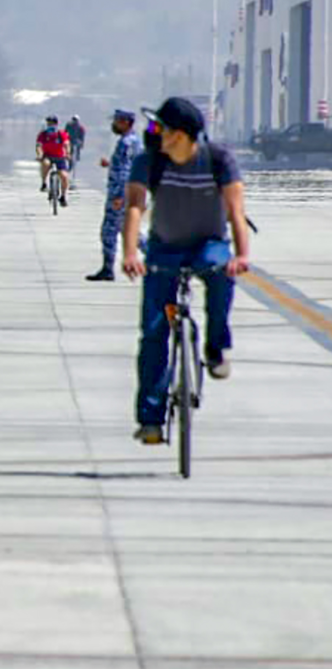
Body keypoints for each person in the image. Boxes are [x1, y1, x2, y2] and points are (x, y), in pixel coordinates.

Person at [122, 97, 250, 445]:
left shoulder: (217, 159)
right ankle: (150, 419)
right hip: (164, 248)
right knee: (152, 334)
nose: (153, 133)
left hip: (208, 244)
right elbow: (135, 208)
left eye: (159, 127)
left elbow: (236, 212)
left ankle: (215, 346)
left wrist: (241, 255)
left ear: (179, 135)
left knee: (221, 271)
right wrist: (131, 253)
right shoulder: (150, 162)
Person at [86, 109, 140, 281]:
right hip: (128, 193)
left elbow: (125, 172)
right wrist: (110, 164)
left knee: (109, 232)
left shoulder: (125, 143)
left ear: (125, 122)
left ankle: (108, 269)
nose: (113, 125)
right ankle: (161, 258)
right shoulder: (134, 141)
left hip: (120, 194)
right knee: (131, 231)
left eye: (116, 121)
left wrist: (119, 196)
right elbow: (130, 166)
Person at [36, 114, 71, 205]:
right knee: (45, 164)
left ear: (56, 124)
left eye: (52, 123)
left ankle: (63, 196)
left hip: (60, 158)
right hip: (48, 156)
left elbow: (66, 144)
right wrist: (40, 154)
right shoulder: (43, 134)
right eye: (49, 123)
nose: (50, 125)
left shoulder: (61, 134)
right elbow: (39, 146)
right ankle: (44, 183)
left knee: (64, 176)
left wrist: (67, 153)